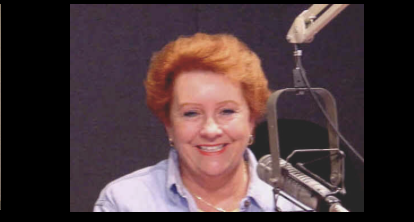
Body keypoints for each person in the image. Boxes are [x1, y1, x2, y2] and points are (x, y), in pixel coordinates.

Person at [93, 33, 305, 212]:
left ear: (251, 119)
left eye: (227, 111)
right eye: (191, 113)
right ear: (169, 125)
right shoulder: (124, 202)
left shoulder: (295, 203)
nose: (210, 130)